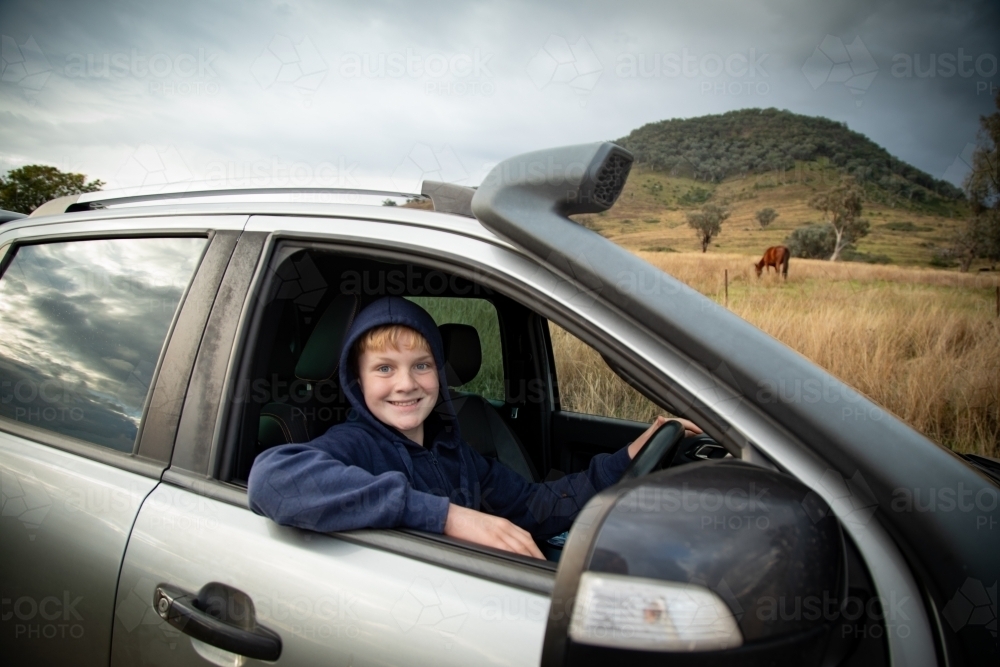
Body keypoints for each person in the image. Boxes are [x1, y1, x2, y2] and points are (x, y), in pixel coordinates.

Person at [248, 296, 701, 559]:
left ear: (440, 373)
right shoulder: (355, 444)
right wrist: (447, 516)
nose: (406, 384)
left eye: (421, 365)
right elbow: (272, 480)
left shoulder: (454, 449)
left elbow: (537, 505)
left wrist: (629, 457)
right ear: (356, 379)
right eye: (384, 369)